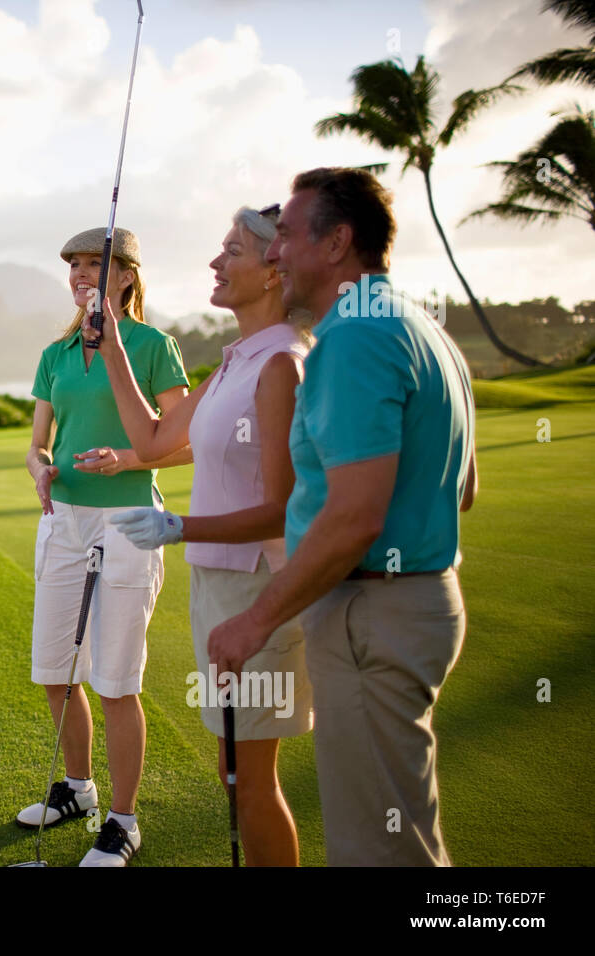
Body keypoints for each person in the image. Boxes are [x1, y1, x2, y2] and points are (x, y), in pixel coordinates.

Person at [206, 168, 478, 865]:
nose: (274, 254)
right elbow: (463, 489)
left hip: (372, 613)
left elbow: (355, 517)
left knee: (377, 849)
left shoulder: (353, 339)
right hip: (415, 606)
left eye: (287, 236)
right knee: (403, 834)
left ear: (337, 245)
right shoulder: (424, 329)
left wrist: (254, 619)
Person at [88, 204, 316, 866]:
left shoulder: (282, 365)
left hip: (261, 589)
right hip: (221, 586)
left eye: (233, 251)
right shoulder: (238, 359)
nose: (216, 262)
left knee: (251, 783)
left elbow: (284, 506)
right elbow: (155, 441)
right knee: (234, 774)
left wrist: (178, 526)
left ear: (275, 271)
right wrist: (111, 351)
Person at [21, 227, 190, 866]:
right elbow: (39, 443)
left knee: (116, 681)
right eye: (75, 265)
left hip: (128, 523)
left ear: (127, 277)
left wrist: (126, 458)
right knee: (56, 674)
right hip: (64, 522)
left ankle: (122, 822)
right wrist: (40, 468)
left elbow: (189, 441)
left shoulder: (152, 347)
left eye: (97, 264)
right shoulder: (56, 353)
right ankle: (78, 789)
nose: (82, 274)